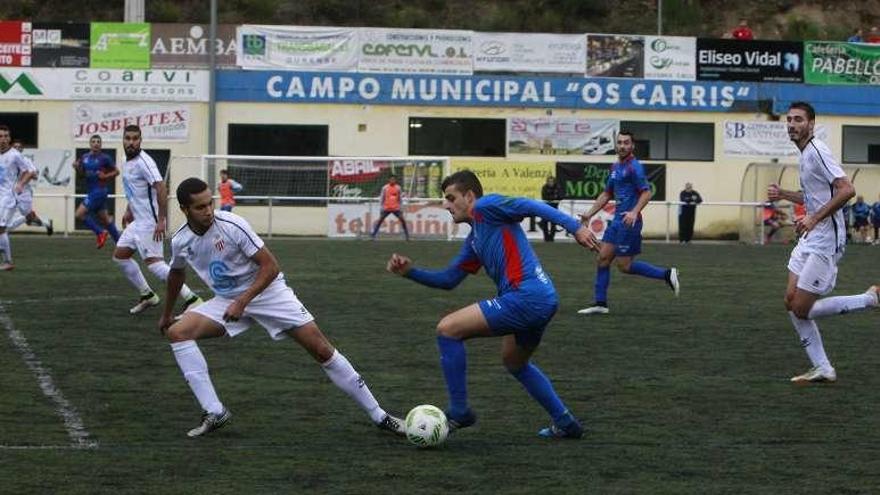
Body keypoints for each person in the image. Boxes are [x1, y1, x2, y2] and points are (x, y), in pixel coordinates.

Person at [159, 177, 405, 438]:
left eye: (210, 203)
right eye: (200, 207)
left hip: (268, 292)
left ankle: (380, 415)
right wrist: (166, 314)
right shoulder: (180, 241)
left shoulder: (232, 225)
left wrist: (243, 301)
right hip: (228, 300)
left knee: (322, 350)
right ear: (185, 210)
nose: (208, 210)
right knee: (178, 333)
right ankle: (215, 411)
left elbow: (270, 266)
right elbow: (176, 274)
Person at [386, 170, 599, 439]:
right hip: (542, 299)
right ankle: (566, 423)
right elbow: (449, 279)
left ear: (470, 196)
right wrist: (410, 272)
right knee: (515, 363)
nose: (445, 205)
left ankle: (460, 411)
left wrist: (576, 228)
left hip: (526, 297)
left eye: (451, 198)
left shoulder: (487, 207)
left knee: (447, 330)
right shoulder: (474, 239)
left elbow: (530, 205)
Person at [767, 101, 879, 384]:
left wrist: (814, 219)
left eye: (799, 120)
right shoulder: (804, 155)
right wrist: (783, 193)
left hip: (826, 239)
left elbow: (847, 190)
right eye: (789, 120)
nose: (792, 124)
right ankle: (822, 369)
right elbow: (812, 197)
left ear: (811, 124)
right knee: (790, 302)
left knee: (801, 309)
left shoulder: (817, 151)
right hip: (811, 236)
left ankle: (869, 300)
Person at [578, 131, 680, 315]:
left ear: (632, 146)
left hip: (629, 223)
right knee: (602, 259)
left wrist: (634, 211)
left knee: (624, 266)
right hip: (617, 222)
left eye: (626, 143)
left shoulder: (634, 167)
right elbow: (607, 193)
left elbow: (646, 192)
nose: (623, 146)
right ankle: (600, 303)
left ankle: (666, 274)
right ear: (616, 145)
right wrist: (589, 214)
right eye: (620, 143)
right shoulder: (616, 166)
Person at [112, 124, 202, 315]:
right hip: (137, 221)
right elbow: (134, 189)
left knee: (155, 264)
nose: (131, 142)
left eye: (135, 138)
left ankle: (192, 298)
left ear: (140, 140)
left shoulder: (145, 162)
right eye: (128, 138)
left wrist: (161, 220)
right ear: (123, 139)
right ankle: (147, 295)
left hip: (149, 223)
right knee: (120, 256)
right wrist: (129, 210)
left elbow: (161, 188)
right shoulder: (124, 159)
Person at [0, 125, 39, 271]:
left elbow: (29, 171)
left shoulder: (14, 155)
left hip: (8, 197)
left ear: (9, 138)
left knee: (1, 228)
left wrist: (21, 184)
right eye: (0, 136)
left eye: (6, 136)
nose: (3, 139)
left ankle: (8, 262)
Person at [73, 134, 119, 248]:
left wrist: (105, 176)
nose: (96, 143)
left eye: (98, 142)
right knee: (106, 221)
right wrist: (77, 167)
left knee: (79, 214)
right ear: (90, 144)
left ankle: (100, 232)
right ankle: (121, 244)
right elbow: (81, 175)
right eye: (93, 141)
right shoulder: (84, 157)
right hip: (91, 191)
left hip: (99, 191)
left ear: (101, 145)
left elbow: (116, 172)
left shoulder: (105, 158)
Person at [5, 139, 53, 236]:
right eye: (15, 147)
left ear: (22, 149)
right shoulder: (7, 159)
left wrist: (23, 179)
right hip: (10, 192)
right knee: (8, 218)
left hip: (24, 193)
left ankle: (46, 223)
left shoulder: (26, 161)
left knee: (29, 220)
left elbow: (34, 175)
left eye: (19, 147)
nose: (17, 149)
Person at [370, 174, 409, 240]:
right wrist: (381, 207)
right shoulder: (385, 188)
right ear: (389, 180)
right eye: (391, 179)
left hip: (396, 208)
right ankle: (373, 235)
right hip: (386, 208)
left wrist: (401, 207)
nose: (392, 180)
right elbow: (382, 198)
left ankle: (407, 236)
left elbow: (400, 199)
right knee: (380, 221)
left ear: (395, 180)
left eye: (393, 179)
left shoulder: (398, 188)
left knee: (402, 220)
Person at [539, 175, 564, 242]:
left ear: (554, 182)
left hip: (554, 207)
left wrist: (553, 197)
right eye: (549, 181)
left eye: (552, 181)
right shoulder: (544, 187)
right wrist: (553, 197)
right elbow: (544, 197)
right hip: (546, 207)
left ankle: (552, 238)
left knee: (553, 223)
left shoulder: (557, 187)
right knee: (544, 223)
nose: (550, 183)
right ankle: (546, 237)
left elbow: (561, 196)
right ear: (547, 182)